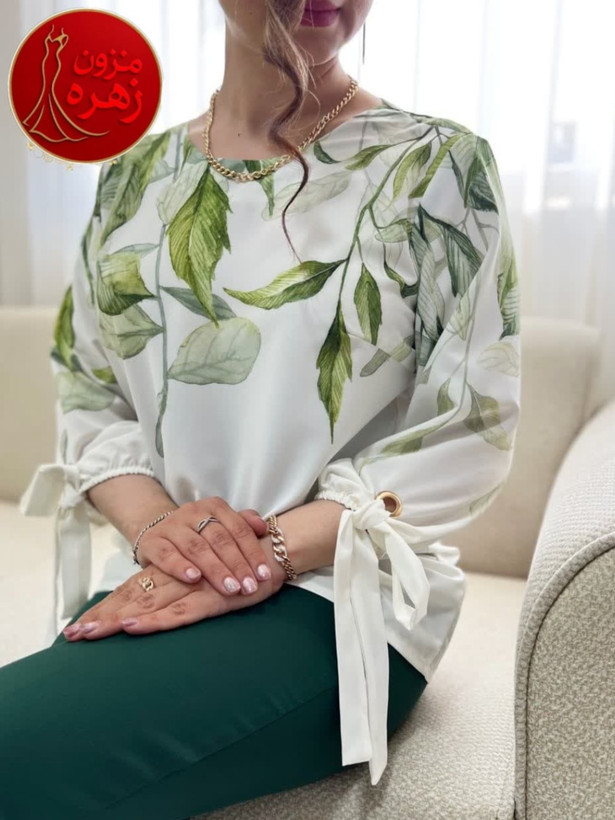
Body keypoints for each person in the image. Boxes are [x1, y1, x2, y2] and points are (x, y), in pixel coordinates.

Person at [0, 0, 521, 817]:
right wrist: (160, 532)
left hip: (338, 597)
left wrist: (266, 553)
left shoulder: (436, 166)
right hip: (160, 570)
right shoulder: (134, 174)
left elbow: (469, 423)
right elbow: (89, 387)